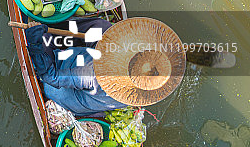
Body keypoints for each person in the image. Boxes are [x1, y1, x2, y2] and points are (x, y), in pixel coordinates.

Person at [26, 16, 186, 116]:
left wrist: (35, 42)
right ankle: (58, 25)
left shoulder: (93, 74)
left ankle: (45, 34)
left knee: (42, 44)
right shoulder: (149, 86)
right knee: (101, 27)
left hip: (67, 90)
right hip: (96, 89)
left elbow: (51, 76)